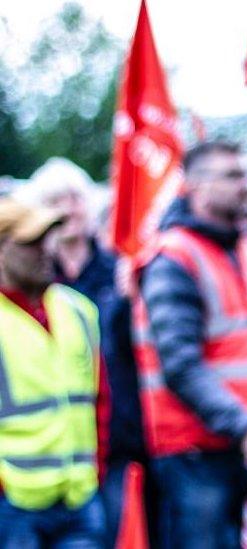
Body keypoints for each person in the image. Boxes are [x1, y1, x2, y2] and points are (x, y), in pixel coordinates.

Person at [134, 141, 247, 548]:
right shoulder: (174, 258)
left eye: (246, 174)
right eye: (232, 175)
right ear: (195, 186)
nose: (245, 184)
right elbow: (179, 364)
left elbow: (243, 339)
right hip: (199, 452)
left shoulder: (243, 248)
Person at [22, 157, 156, 546]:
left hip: (116, 429)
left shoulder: (120, 266)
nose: (68, 209)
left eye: (75, 198)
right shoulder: (34, 277)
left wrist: (133, 299)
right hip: (55, 445)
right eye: (55, 201)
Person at [0, 199, 107, 547]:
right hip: (14, 506)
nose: (47, 249)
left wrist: (95, 471)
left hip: (79, 499)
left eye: (49, 237)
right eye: (31, 242)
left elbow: (100, 402)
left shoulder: (78, 308)